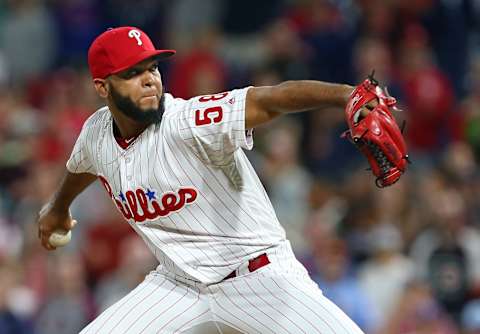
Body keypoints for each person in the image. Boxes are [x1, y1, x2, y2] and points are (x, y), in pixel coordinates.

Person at [37, 26, 364, 333]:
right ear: (102, 87)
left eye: (152, 68)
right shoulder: (96, 133)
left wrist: (346, 96)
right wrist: (57, 208)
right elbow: (81, 166)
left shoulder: (189, 122)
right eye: (132, 73)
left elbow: (269, 99)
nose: (149, 80)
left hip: (257, 276)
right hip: (178, 286)